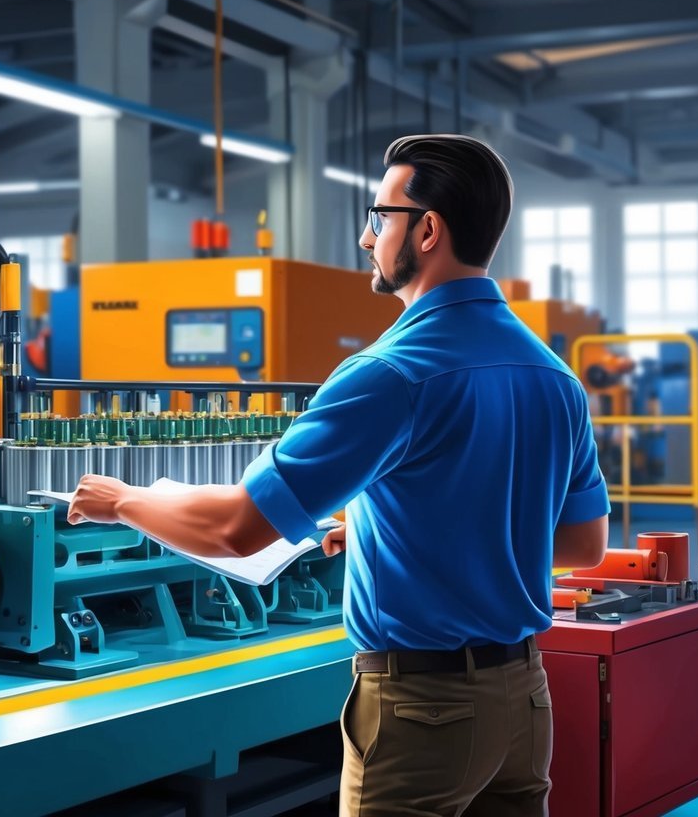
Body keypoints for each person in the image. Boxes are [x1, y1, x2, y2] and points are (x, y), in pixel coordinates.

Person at [68, 133, 609, 816]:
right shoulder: (552, 376)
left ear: (428, 229)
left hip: (423, 713)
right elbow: (579, 545)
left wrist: (123, 501)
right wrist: (397, 532)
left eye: (379, 216)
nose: (364, 237)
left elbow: (237, 530)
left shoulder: (391, 373)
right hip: (523, 701)